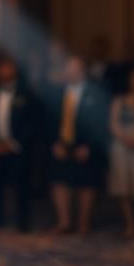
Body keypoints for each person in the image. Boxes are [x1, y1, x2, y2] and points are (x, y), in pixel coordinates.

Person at [47, 55, 109, 235]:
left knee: (86, 184)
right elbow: (49, 119)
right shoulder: (57, 92)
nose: (70, 72)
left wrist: (89, 145)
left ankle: (83, 222)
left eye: (75, 69)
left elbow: (100, 122)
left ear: (83, 71)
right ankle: (64, 221)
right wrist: (54, 142)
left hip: (86, 146)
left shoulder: (95, 93)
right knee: (59, 181)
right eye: (68, 69)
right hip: (62, 142)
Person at [0, 57, 36, 232]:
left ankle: (22, 221)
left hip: (16, 147)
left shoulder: (26, 93)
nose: (4, 72)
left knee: (21, 185)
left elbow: (31, 122)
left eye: (7, 67)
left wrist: (13, 143)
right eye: (1, 68)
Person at [108, 64, 134, 237]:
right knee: (123, 185)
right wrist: (125, 138)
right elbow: (113, 123)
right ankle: (130, 224)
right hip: (122, 145)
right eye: (132, 77)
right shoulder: (119, 100)